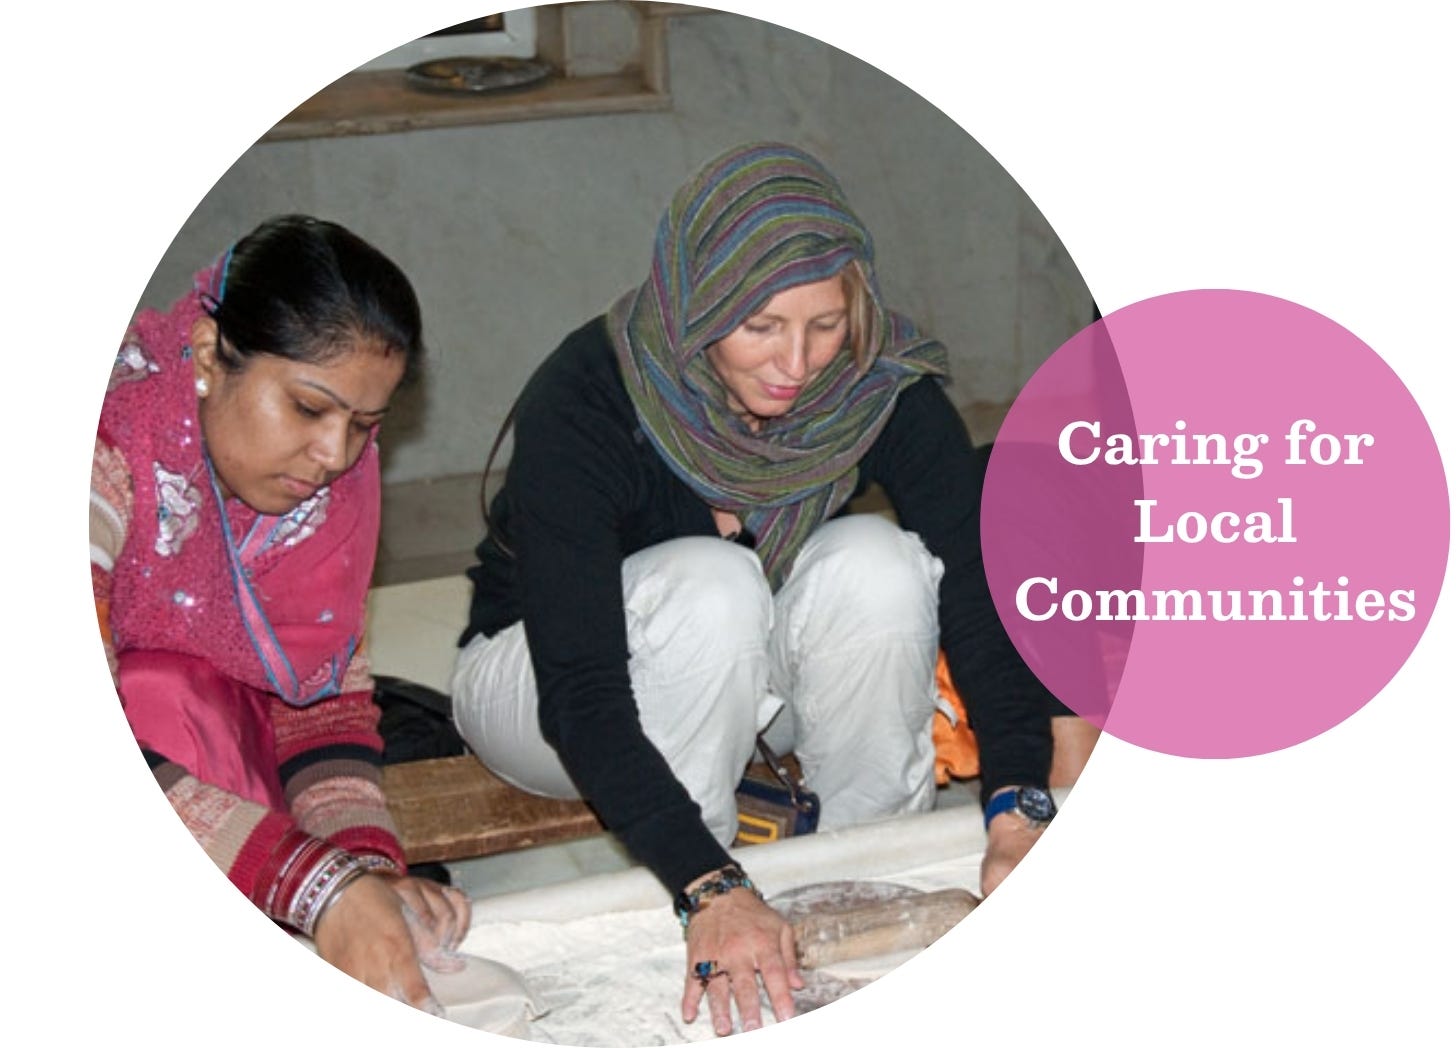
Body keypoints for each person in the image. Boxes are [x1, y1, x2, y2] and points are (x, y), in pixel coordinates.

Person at [451, 143, 1068, 1036]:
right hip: (538, 686)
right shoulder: (587, 398)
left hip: (742, 668)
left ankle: (863, 884)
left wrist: (1020, 802)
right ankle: (707, 900)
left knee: (878, 562)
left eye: (826, 325)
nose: (798, 362)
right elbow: (581, 691)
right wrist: (711, 883)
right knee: (712, 581)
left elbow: (981, 590)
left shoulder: (870, 382)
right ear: (696, 305)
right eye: (762, 327)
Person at [91, 215, 470, 1013]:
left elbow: (322, 704)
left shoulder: (322, 504)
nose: (335, 456)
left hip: (200, 795)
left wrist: (365, 865)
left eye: (364, 426)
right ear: (204, 354)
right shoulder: (102, 451)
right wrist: (316, 888)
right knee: (165, 687)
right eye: (308, 409)